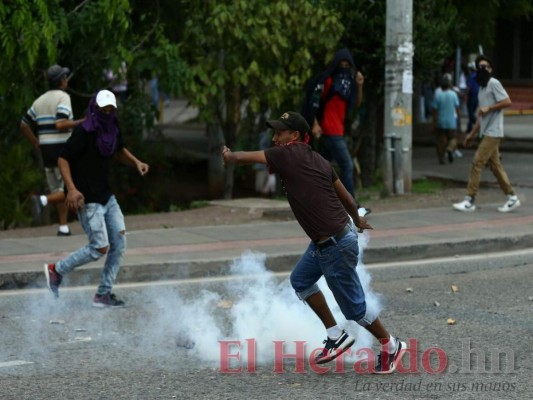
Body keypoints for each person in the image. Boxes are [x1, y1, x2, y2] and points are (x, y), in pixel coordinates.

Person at [222, 111, 406, 373]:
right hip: (332, 239)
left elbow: (239, 158)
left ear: (294, 136)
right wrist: (357, 220)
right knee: (301, 280)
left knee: (355, 309)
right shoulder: (318, 160)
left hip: (334, 245)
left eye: (279, 133)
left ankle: (391, 346)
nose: (275, 138)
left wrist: (228, 156)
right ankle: (335, 334)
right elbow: (349, 199)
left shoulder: (286, 153)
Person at [43, 90, 149, 307]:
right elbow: (63, 158)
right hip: (87, 198)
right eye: (104, 109)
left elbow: (119, 151)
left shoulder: (113, 128)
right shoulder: (84, 131)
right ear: (95, 107)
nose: (107, 112)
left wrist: (136, 162)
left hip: (106, 196)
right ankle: (56, 270)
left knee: (119, 243)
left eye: (111, 109)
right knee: (99, 247)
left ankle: (103, 294)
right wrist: (71, 189)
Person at [302, 48, 369, 217]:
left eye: (348, 65)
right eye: (341, 64)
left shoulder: (348, 84)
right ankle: (351, 205)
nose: (344, 68)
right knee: (347, 165)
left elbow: (354, 104)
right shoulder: (328, 81)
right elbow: (313, 102)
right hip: (329, 130)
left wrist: (360, 86)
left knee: (323, 168)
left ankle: (316, 202)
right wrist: (315, 123)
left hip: (337, 130)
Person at [20, 64, 85, 236]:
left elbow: (24, 124)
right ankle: (41, 200)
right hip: (62, 150)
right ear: (62, 81)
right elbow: (61, 123)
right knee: (68, 189)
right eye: (65, 78)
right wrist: (81, 122)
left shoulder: (39, 100)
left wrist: (35, 141)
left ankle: (63, 226)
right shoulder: (63, 97)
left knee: (57, 188)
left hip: (46, 151)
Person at [453, 56, 520, 213]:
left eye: (487, 67)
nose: (485, 69)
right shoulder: (482, 89)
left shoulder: (493, 83)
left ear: (491, 69)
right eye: (481, 67)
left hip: (494, 132)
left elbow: (507, 101)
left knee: (477, 162)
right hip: (487, 131)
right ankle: (512, 197)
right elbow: (481, 116)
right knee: (495, 166)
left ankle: (470, 199)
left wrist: (490, 108)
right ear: (477, 70)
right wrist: (471, 134)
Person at [432, 74, 461, 164]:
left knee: (440, 140)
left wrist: (434, 122)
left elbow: (435, 110)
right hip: (451, 122)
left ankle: (441, 158)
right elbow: (457, 108)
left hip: (440, 121)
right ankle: (450, 148)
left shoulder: (438, 95)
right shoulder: (453, 95)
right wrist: (459, 119)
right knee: (453, 138)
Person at [465, 62, 480, 133]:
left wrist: (465, 95)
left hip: (472, 96)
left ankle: (478, 125)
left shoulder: (471, 77)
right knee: (472, 112)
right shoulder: (478, 76)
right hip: (478, 96)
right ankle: (469, 128)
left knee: (471, 113)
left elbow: (469, 88)